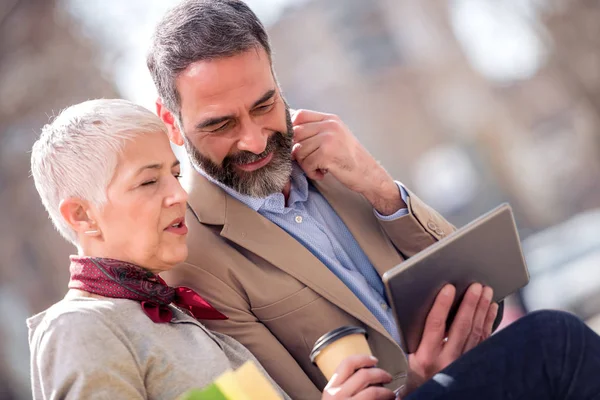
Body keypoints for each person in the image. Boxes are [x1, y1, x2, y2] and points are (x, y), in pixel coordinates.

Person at [147, 1, 500, 397]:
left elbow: (486, 294)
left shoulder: (337, 159)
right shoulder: (189, 258)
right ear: (171, 124)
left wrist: (379, 186)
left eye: (264, 105)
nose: (255, 140)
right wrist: (421, 388)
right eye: (220, 124)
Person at [27, 99, 396, 400]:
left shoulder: (173, 312)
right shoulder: (78, 329)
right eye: (149, 181)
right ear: (82, 215)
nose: (178, 194)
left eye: (174, 174)